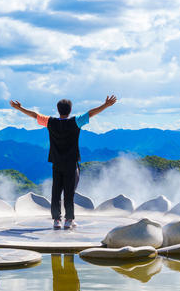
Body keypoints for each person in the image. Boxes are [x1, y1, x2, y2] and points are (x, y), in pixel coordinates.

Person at [10, 95, 117, 229]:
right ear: (70, 110)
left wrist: (19, 108)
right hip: (71, 163)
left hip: (57, 162)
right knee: (69, 193)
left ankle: (56, 220)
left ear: (58, 109)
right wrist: (105, 105)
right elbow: (91, 113)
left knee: (56, 191)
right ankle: (68, 220)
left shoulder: (50, 122)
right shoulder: (76, 122)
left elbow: (34, 115)